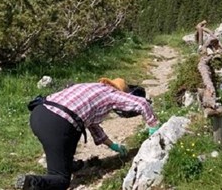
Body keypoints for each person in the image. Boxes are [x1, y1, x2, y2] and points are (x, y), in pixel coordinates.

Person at [15, 78, 160, 190]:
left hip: (39, 113)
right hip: (58, 124)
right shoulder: (112, 94)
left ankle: (68, 163)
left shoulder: (91, 87)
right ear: (120, 91)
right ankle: (31, 182)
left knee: (71, 134)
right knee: (61, 179)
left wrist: (113, 146)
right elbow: (142, 104)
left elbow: (91, 124)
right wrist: (153, 126)